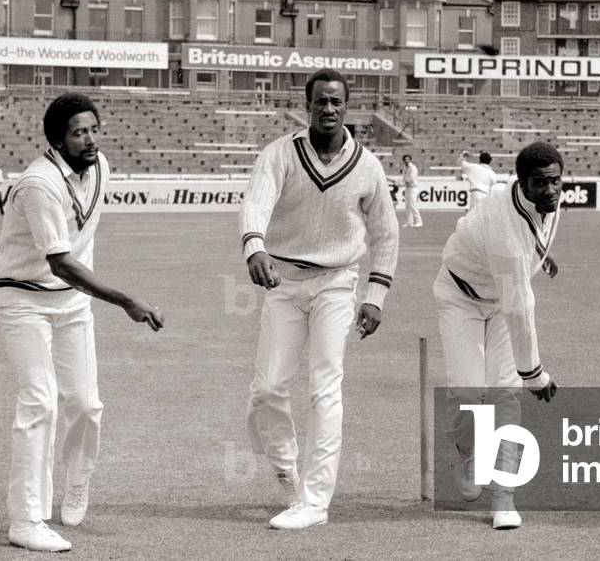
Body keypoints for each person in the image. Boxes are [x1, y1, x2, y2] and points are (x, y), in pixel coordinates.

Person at [0, 93, 165, 553]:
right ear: (57, 140)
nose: (90, 139)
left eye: (93, 129)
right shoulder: (38, 184)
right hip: (22, 298)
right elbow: (61, 262)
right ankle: (26, 520)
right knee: (40, 401)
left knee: (86, 405)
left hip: (71, 303)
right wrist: (125, 300)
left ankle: (76, 481)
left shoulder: (100, 165)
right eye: (78, 132)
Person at [240, 68, 399, 531]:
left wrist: (375, 295)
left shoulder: (367, 165)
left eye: (336, 101)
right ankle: (287, 472)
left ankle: (316, 501)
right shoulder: (279, 154)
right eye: (320, 101)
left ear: (347, 107)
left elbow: (385, 234)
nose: (328, 108)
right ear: (307, 105)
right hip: (283, 281)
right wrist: (255, 247)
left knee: (325, 387)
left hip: (337, 281)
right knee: (268, 388)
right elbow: (256, 202)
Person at [435, 141, 562, 530]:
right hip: (460, 297)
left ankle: (504, 495)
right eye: (540, 183)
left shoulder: (545, 201)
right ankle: (467, 451)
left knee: (505, 394)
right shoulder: (505, 232)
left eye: (555, 181)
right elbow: (519, 307)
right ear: (521, 183)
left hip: (501, 295)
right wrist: (535, 375)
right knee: (470, 393)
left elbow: (532, 239)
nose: (550, 191)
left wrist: (541, 256)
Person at [400, 154, 423, 228]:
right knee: (407, 205)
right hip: (407, 188)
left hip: (413, 188)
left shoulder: (413, 168)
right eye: (405, 159)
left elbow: (411, 179)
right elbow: (404, 178)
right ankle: (409, 222)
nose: (406, 161)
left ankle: (419, 221)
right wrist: (401, 183)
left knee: (413, 205)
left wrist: (402, 183)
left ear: (410, 160)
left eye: (408, 159)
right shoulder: (404, 167)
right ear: (403, 160)